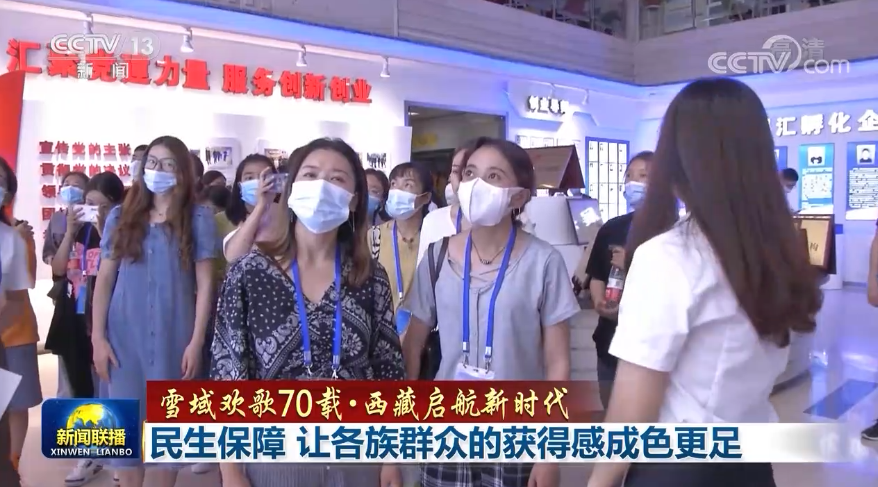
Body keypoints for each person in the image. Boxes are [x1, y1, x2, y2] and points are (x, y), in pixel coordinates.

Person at [586, 78, 821, 487]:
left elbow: (632, 409)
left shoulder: (670, 255)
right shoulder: (777, 250)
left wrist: (599, 481)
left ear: (679, 161)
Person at [211, 138, 404, 487]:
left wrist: (391, 456)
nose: (321, 187)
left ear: (354, 199)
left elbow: (388, 369)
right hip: (274, 458)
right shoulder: (249, 273)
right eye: (311, 175)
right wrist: (230, 469)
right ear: (291, 189)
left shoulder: (369, 276)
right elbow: (228, 374)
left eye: (337, 178)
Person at [401, 137, 578, 487]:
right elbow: (412, 347)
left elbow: (558, 363)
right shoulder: (436, 256)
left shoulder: (544, 262)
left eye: (494, 176)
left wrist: (549, 452)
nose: (476, 184)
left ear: (518, 196)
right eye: (470, 173)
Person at [91, 135, 217, 487]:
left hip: (174, 335)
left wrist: (196, 341)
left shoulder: (198, 218)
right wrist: (98, 338)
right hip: (123, 338)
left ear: (182, 173)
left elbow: (205, 284)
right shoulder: (121, 216)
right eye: (152, 162)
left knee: (166, 435)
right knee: (125, 434)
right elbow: (105, 279)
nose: (158, 170)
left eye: (168, 164)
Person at [44, 172, 124, 487]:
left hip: (105, 321)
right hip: (72, 318)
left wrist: (106, 228)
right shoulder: (75, 230)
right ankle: (89, 454)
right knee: (80, 388)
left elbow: (116, 269)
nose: (94, 211)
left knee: (109, 387)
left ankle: (117, 454)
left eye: (103, 206)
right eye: (90, 204)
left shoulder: (122, 234)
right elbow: (58, 269)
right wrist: (70, 231)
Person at [584, 150, 652, 408]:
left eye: (643, 176)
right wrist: (599, 301)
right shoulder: (612, 228)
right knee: (611, 412)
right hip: (610, 343)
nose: (633, 183)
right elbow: (597, 275)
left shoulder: (673, 232)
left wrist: (633, 265)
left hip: (649, 348)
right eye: (629, 176)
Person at [0, 157, 40, 477]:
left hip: (16, 331)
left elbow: (25, 282)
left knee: (16, 402)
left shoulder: (17, 234)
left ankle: (13, 462)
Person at [371, 162, 434, 323]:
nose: (397, 190)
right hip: (382, 327)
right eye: (394, 184)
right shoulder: (374, 236)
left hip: (423, 328)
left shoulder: (435, 238)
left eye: (408, 185)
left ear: (425, 197)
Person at [0, 179, 30, 487]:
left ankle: (12, 463)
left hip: (11, 336)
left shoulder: (12, 238)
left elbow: (17, 295)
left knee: (14, 405)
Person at [415, 140, 476, 264]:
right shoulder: (433, 220)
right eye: (455, 171)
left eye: (470, 172)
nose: (461, 179)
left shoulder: (508, 224)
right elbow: (424, 273)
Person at [221, 154, 280, 263]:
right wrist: (261, 205)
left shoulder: (287, 216)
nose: (259, 183)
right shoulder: (231, 222)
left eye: (265, 176)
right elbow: (234, 257)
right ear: (239, 185)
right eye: (249, 178)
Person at [42, 171, 90, 266]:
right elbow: (48, 250)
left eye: (76, 186)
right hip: (63, 271)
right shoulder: (57, 217)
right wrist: (51, 259)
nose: (70, 188)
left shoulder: (92, 217)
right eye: (66, 185)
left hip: (89, 271)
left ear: (87, 191)